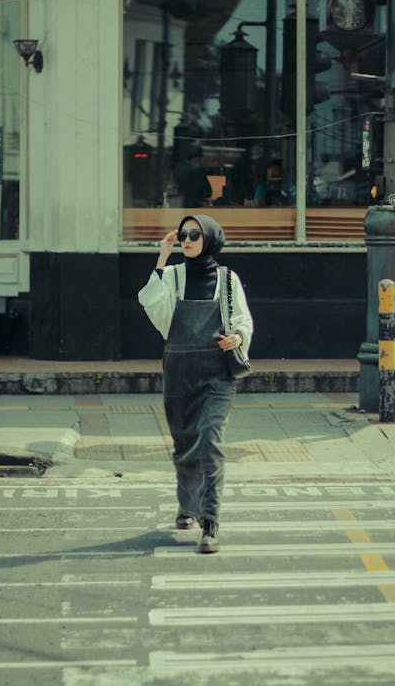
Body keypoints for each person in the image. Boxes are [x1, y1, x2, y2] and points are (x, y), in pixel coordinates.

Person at [138, 214, 253, 554]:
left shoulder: (228, 279)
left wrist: (237, 337)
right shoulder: (172, 275)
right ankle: (187, 505)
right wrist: (162, 256)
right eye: (183, 234)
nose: (186, 240)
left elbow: (243, 320)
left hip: (218, 374)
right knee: (184, 443)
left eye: (194, 235)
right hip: (179, 370)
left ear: (212, 239)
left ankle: (210, 522)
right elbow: (153, 306)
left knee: (210, 442)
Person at [172, 142, 212, 208]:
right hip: (195, 206)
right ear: (196, 158)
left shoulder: (178, 168)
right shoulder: (198, 171)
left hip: (178, 206)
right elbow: (208, 191)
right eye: (200, 159)